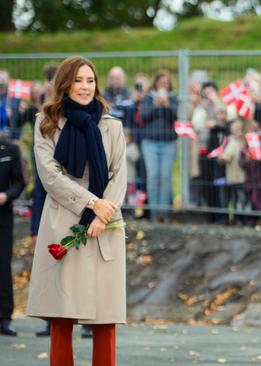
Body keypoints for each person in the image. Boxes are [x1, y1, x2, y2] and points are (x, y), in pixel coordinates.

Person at [26, 55, 127, 366]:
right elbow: (50, 176)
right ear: (64, 84)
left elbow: (119, 175)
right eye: (78, 80)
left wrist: (101, 213)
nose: (85, 86)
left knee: (104, 318)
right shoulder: (46, 123)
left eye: (90, 80)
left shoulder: (112, 126)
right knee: (61, 316)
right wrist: (90, 203)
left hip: (104, 226)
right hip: (63, 221)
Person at [140, 70, 178, 221]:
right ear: (155, 84)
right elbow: (144, 117)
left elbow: (176, 117)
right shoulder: (148, 98)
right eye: (161, 82)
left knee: (165, 177)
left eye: (166, 82)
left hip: (169, 143)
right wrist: (156, 105)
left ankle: (165, 211)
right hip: (150, 143)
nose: (164, 85)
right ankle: (155, 212)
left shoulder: (174, 98)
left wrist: (167, 105)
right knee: (153, 176)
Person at [0, 131, 25, 336]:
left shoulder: (11, 148)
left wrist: (6, 196)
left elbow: (19, 182)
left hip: (3, 218)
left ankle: (5, 318)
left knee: (2, 264)